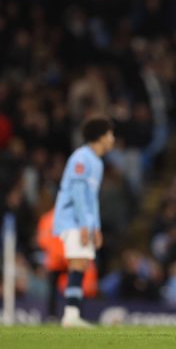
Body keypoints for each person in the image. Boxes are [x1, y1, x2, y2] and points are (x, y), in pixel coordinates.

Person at [53, 117, 115, 327]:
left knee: (81, 264)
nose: (112, 139)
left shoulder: (96, 162)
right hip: (72, 218)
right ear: (100, 137)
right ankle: (70, 315)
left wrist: (95, 227)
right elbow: (78, 194)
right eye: (110, 134)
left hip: (83, 221)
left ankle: (73, 314)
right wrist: (84, 225)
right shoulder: (81, 157)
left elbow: (91, 199)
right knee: (77, 263)